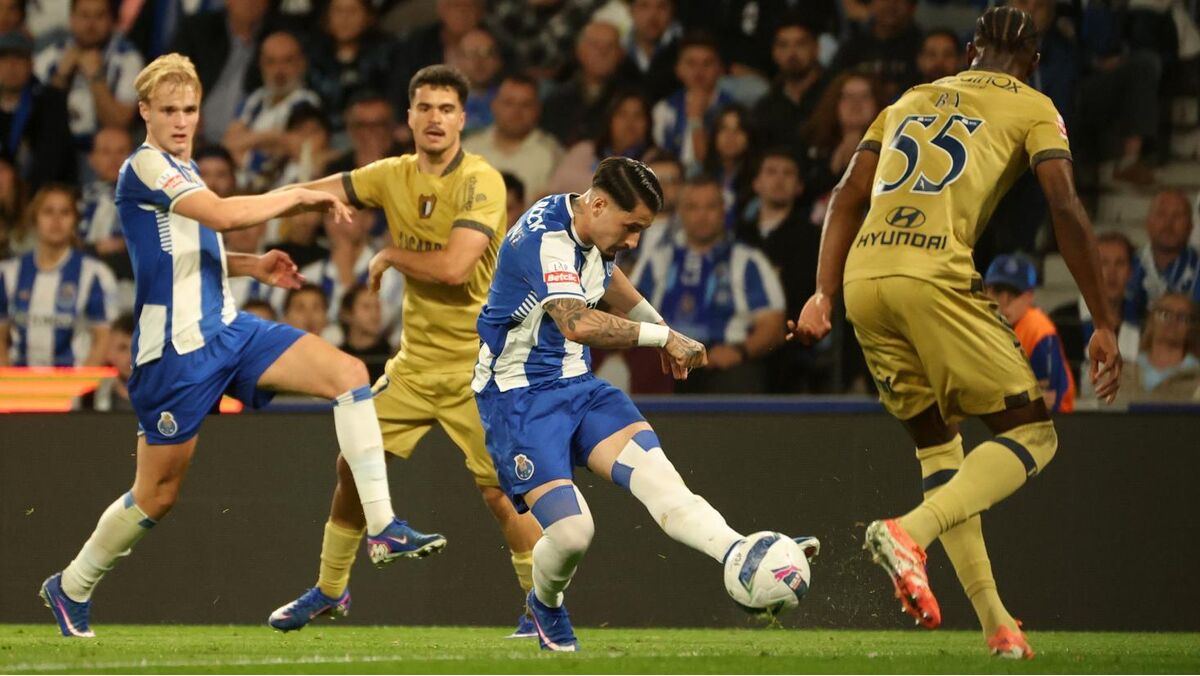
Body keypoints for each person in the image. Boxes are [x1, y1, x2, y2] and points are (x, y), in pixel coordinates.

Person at [37, 53, 441, 639]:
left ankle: (383, 527)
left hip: (229, 331)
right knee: (156, 495)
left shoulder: (182, 165)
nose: (181, 121)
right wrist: (300, 193)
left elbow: (185, 251)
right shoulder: (145, 167)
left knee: (349, 373)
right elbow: (223, 216)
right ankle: (72, 585)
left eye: (190, 109)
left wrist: (252, 266)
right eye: (169, 110)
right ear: (144, 111)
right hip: (174, 354)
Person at [791, 7, 1122, 659]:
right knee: (1033, 432)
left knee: (940, 449)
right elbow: (1064, 205)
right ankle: (909, 533)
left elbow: (846, 193)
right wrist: (1103, 319)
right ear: (1033, 62)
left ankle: (997, 624)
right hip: (933, 274)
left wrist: (823, 292)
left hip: (864, 278)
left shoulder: (908, 99)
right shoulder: (1034, 105)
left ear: (971, 50)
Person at [474, 157, 815, 652]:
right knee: (572, 534)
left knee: (664, 484)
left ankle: (743, 553)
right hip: (519, 399)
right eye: (630, 227)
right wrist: (662, 338)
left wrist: (662, 328)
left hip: (579, 386)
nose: (634, 241)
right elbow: (577, 323)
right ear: (598, 205)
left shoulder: (586, 225)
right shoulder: (547, 241)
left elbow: (607, 277)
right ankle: (544, 605)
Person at [266, 65, 543, 638]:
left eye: (447, 108)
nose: (435, 118)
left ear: (462, 119)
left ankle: (544, 609)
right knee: (352, 464)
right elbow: (311, 193)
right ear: (410, 117)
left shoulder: (482, 181)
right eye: (425, 107)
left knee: (502, 495)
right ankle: (331, 589)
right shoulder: (391, 175)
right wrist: (223, 212)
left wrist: (390, 255)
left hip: (480, 367)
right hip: (415, 367)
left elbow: (455, 267)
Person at [631, 175, 786, 394]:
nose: (702, 216)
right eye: (693, 207)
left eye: (710, 207)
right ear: (680, 212)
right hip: (663, 358)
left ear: (724, 210)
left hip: (724, 360)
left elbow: (773, 324)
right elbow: (626, 310)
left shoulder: (748, 261)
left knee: (741, 378)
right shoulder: (657, 259)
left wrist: (740, 351)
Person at [0, 184, 117, 367]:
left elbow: (103, 338)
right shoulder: (8, 273)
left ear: (75, 221)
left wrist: (83, 382)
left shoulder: (95, 274)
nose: (56, 220)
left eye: (65, 212)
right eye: (48, 212)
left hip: (73, 380)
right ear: (35, 219)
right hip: (20, 380)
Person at [33, 0, 142, 152]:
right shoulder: (51, 55)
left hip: (102, 151)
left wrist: (96, 78)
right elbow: (34, 121)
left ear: (112, 20)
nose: (91, 25)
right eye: (84, 15)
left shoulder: (128, 59)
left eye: (99, 16)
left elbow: (119, 123)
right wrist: (60, 78)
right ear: (71, 19)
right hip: (56, 148)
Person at [984, 254, 1076, 414]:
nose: (1004, 303)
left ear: (1029, 297)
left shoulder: (1038, 329)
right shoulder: (982, 326)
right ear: (986, 293)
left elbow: (1049, 401)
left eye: (1013, 295)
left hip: (1056, 421)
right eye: (998, 293)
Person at [463, 75, 564, 203]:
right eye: (509, 103)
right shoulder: (467, 149)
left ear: (538, 109)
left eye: (526, 105)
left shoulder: (553, 155)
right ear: (494, 105)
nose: (516, 112)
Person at [0, 30, 76, 190]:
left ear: (31, 64)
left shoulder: (49, 103)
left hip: (39, 192)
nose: (11, 67)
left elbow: (51, 159)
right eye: (4, 59)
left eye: (19, 59)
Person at [650, 31, 731, 173]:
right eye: (691, 63)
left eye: (707, 63)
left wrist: (696, 119)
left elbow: (718, 163)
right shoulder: (664, 109)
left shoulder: (730, 110)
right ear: (678, 69)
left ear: (720, 69)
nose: (699, 71)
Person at [546, 91, 652, 196]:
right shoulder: (586, 150)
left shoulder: (653, 160)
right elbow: (557, 184)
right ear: (610, 119)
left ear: (648, 122)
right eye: (622, 114)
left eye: (638, 115)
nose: (630, 122)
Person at [750, 18, 832, 154]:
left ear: (816, 48)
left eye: (800, 44)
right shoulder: (765, 107)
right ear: (774, 52)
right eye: (783, 45)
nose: (792, 53)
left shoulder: (834, 96)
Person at [1124, 189, 1200, 329]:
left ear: (1191, 227)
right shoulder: (1125, 265)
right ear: (1147, 223)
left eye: (1177, 216)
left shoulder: (1198, 270)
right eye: (1161, 214)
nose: (1168, 224)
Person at [1114, 294, 1200, 403]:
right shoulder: (1123, 370)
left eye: (1182, 317)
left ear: (1191, 327)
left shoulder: (1196, 377)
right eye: (1165, 314)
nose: (1173, 321)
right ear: (1151, 320)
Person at [74, 312, 134, 412]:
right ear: (108, 352)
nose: (131, 357)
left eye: (138, 348)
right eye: (122, 348)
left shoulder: (162, 400)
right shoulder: (89, 400)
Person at [337, 281, 392, 382]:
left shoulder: (393, 359)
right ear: (347, 314)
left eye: (377, 307)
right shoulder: (337, 359)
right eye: (366, 307)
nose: (374, 314)